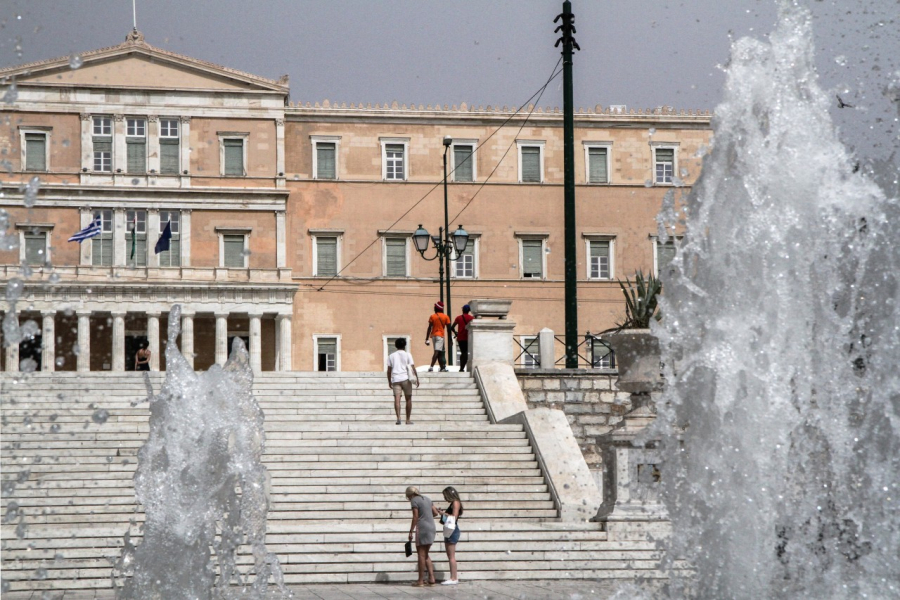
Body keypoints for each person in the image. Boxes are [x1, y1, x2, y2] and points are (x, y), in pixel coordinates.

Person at [406, 486, 437, 587]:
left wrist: (411, 531)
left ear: (410, 495)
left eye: (408, 497)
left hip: (422, 528)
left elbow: (415, 517)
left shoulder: (414, 501)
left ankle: (420, 581)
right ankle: (431, 578)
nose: (409, 499)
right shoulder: (427, 499)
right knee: (426, 554)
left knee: (421, 554)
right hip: (432, 527)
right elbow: (435, 513)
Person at [387, 338, 419, 425]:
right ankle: (408, 419)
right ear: (404, 345)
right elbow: (412, 367)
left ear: (396, 346)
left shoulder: (391, 356)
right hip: (406, 379)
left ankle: (398, 418)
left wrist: (389, 381)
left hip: (396, 379)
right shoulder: (408, 355)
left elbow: (389, 370)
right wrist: (417, 378)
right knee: (408, 399)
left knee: (397, 399)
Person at [438, 486, 464, 585]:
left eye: (445, 496)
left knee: (451, 556)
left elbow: (454, 516)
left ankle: (453, 578)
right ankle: (453, 577)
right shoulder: (455, 503)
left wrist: (443, 513)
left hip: (452, 529)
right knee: (450, 556)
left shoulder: (456, 502)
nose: (445, 498)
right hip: (450, 529)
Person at [425, 301, 451, 372]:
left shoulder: (432, 316)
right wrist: (450, 339)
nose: (434, 308)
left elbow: (429, 327)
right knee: (437, 352)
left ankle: (442, 367)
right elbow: (449, 329)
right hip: (440, 336)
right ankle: (431, 366)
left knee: (439, 352)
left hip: (433, 336)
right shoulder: (446, 317)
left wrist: (426, 339)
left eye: (434, 307)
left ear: (437, 308)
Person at [450, 305, 474, 373]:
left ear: (462, 310)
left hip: (460, 338)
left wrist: (456, 333)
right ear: (469, 310)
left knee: (463, 352)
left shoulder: (458, 318)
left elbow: (452, 327)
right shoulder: (472, 318)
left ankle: (461, 367)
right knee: (465, 353)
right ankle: (462, 367)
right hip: (468, 337)